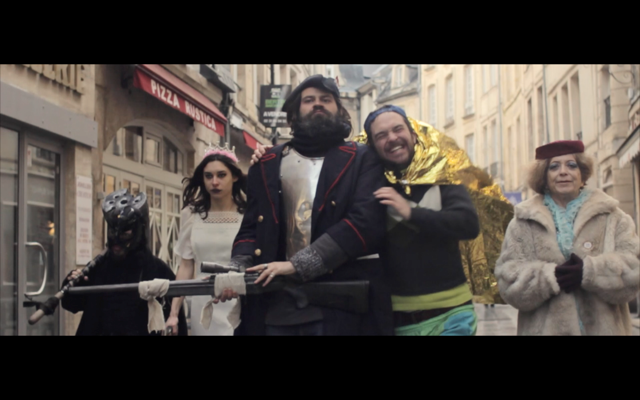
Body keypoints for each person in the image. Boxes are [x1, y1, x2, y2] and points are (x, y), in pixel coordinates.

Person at [250, 105, 483, 336]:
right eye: (381, 135)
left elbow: (468, 224)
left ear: (413, 135)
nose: (392, 138)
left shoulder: (442, 177)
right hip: (399, 318)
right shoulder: (368, 184)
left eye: (398, 129)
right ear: (372, 146)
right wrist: (274, 157)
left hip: (451, 313)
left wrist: (411, 212)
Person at [221, 74, 393, 336]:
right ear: (295, 112)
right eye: (309, 100)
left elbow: (364, 223)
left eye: (326, 99)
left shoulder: (362, 158)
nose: (317, 104)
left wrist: (299, 264)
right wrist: (236, 269)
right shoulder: (267, 162)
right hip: (275, 306)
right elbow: (252, 229)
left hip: (339, 308)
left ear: (339, 109)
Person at [495, 140, 640, 335]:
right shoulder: (523, 222)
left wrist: (590, 272)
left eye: (571, 165)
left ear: (582, 174)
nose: (563, 172)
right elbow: (508, 281)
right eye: (554, 167)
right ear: (543, 176)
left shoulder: (613, 217)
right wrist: (549, 277)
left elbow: (634, 270)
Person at [61, 189, 187, 336]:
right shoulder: (99, 268)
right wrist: (73, 283)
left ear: (139, 231)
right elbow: (70, 304)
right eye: (112, 230)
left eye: (124, 232)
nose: (116, 238)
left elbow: (178, 326)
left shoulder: (158, 271)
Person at [164, 146, 247, 336]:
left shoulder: (247, 214)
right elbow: (186, 266)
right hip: (203, 304)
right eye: (208, 176)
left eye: (221, 175)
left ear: (234, 177)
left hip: (238, 301)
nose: (214, 182)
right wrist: (173, 313)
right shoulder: (191, 215)